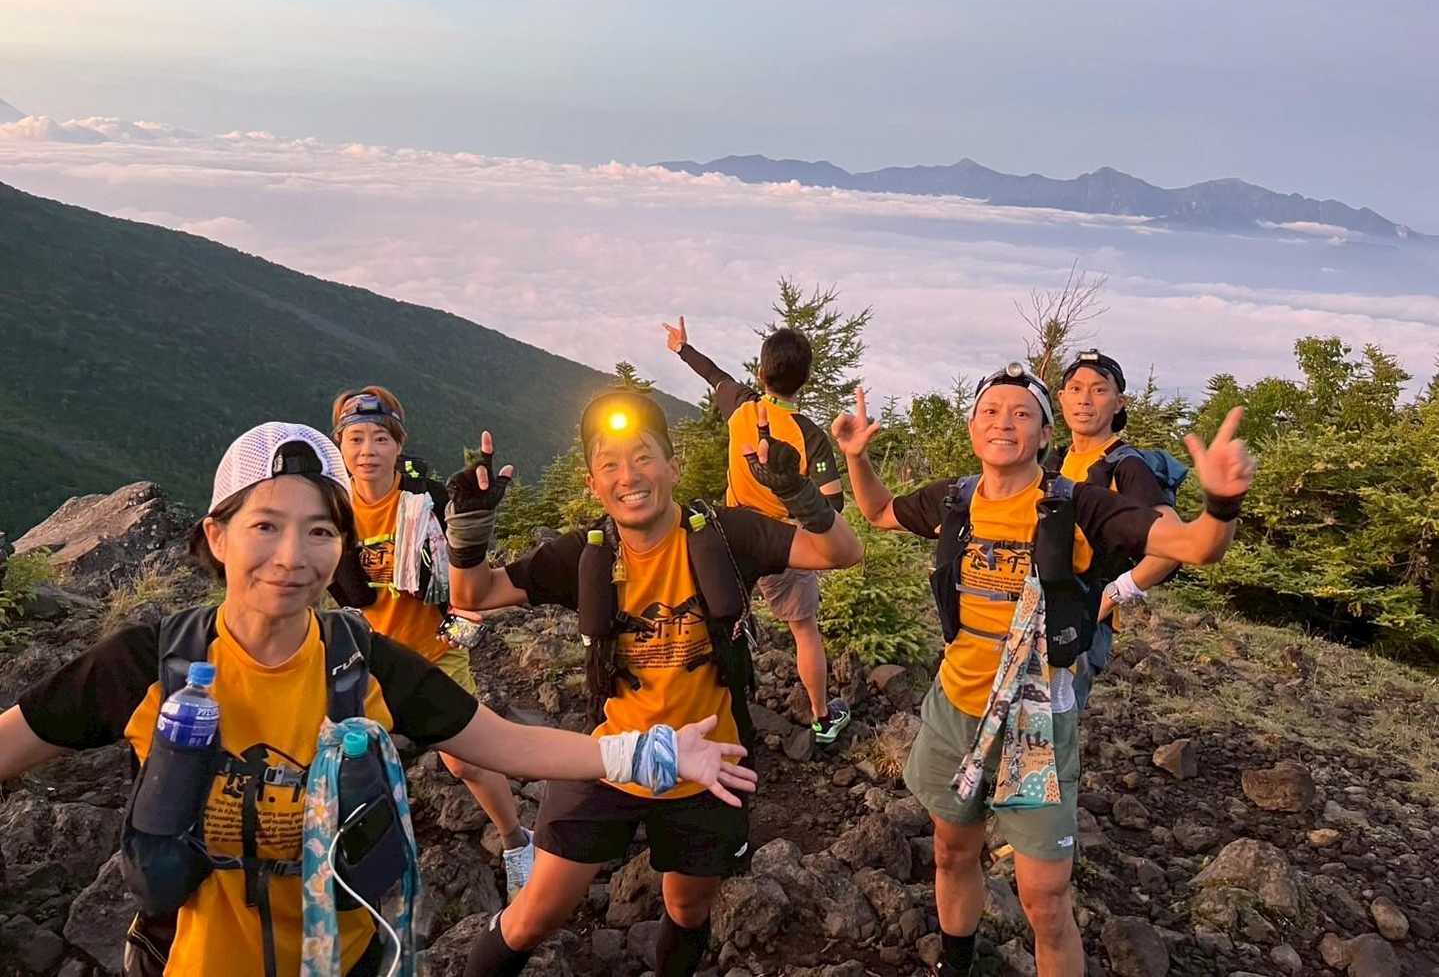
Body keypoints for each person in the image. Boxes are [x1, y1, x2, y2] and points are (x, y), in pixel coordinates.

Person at [0, 422, 756, 977]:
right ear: (217, 535)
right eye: (265, 525)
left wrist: (653, 752)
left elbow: (501, 742)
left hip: (351, 957)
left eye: (319, 531)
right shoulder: (146, 664)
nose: (293, 556)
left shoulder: (358, 663)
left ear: (340, 548)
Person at [832, 367, 1254, 977]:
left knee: (1046, 900)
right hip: (955, 711)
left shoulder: (1078, 504)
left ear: (1044, 433)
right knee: (951, 852)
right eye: (990, 411)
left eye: (1021, 413)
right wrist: (856, 457)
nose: (1003, 422)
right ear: (972, 427)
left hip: (1034, 731)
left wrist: (1222, 503)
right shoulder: (955, 499)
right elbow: (875, 511)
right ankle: (955, 964)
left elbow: (1195, 546)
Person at [453, 390, 863, 977]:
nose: (629, 476)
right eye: (610, 464)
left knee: (688, 908)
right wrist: (469, 531)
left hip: (712, 765)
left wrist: (799, 494)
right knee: (532, 917)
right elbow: (474, 592)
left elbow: (842, 552)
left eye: (643, 457)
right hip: (610, 758)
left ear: (673, 466)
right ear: (593, 483)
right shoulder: (585, 555)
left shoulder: (726, 535)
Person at [327, 386, 534, 897]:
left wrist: (463, 622)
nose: (368, 451)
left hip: (436, 649)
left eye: (381, 438)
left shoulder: (427, 500)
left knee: (466, 760)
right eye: (356, 438)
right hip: (369, 656)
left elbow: (467, 575)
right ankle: (361, 861)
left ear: (399, 445)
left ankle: (516, 841)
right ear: (339, 446)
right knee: (351, 763)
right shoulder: (330, 509)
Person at [663, 316, 851, 745]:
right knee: (804, 631)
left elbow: (714, 375)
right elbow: (833, 505)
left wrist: (682, 348)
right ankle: (822, 719)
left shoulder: (741, 406)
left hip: (730, 535)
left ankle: (699, 713)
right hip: (783, 543)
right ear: (805, 379)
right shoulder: (810, 435)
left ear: (761, 372)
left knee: (714, 621)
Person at [1046, 351, 1184, 706]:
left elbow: (1174, 545)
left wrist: (1114, 593)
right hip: (1038, 608)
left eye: (1099, 390)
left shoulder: (1125, 466)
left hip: (1081, 618)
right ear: (1060, 398)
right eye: (1075, 389)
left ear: (1119, 402)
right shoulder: (1056, 460)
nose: (1084, 400)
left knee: (1054, 723)